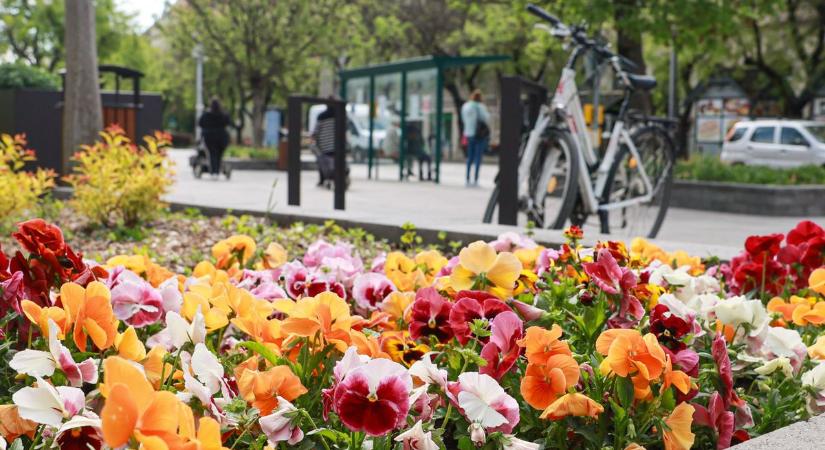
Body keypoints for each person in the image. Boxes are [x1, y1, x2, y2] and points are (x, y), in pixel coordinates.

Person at [461, 89, 490, 186]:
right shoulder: (480, 107)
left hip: (468, 134)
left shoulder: (466, 106)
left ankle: (467, 178)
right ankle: (476, 179)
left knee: (470, 157)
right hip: (479, 135)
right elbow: (486, 118)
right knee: (478, 157)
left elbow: (464, 119)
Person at [198, 98, 231, 177]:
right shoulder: (224, 114)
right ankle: (217, 170)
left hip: (210, 137)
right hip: (222, 137)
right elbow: (228, 123)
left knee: (212, 154)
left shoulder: (206, 114)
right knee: (219, 154)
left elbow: (200, 123)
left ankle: (214, 172)